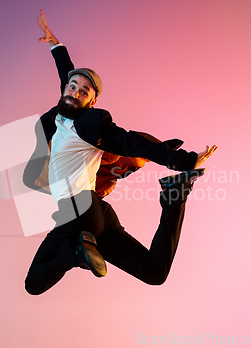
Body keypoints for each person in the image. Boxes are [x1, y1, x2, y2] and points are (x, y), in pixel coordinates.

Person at [23, 11, 217, 295]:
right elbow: (68, 75)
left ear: (93, 101)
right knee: (154, 273)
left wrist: (183, 160)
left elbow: (127, 143)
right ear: (65, 88)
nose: (75, 92)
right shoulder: (64, 115)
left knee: (34, 283)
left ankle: (77, 253)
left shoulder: (85, 122)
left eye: (84, 91)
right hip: (99, 215)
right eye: (72, 87)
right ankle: (175, 197)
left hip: (79, 211)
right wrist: (56, 46)